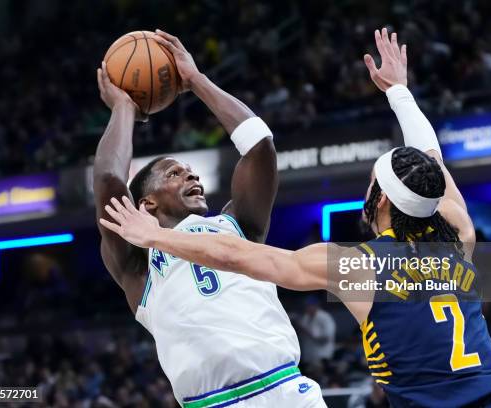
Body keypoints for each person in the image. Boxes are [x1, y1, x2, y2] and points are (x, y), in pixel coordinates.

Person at [100, 28, 491, 407]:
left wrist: (155, 237)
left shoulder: (357, 265)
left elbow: (238, 254)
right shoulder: (456, 231)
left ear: (382, 200)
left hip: (291, 390)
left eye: (371, 182)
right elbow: (430, 161)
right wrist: (399, 92)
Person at [94, 29, 326, 407]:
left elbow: (259, 145)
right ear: (147, 204)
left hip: (286, 390)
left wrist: (196, 81)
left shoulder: (237, 225)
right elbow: (108, 179)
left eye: (191, 171)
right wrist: (124, 107)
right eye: (174, 173)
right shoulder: (138, 259)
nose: (192, 176)